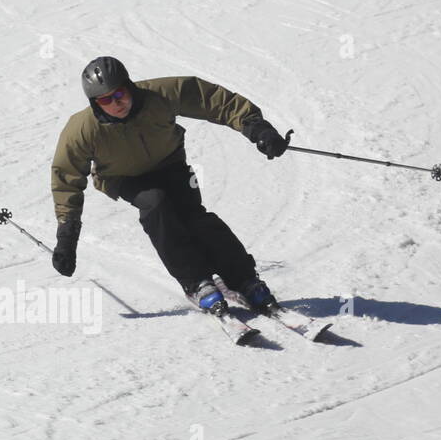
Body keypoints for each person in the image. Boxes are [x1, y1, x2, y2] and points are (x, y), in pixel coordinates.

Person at [49, 56, 290, 316]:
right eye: (105, 100)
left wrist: (256, 128)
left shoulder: (159, 95)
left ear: (129, 86)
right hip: (124, 178)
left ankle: (244, 278)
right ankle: (196, 282)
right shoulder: (81, 130)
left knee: (195, 217)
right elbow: (66, 177)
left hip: (170, 163)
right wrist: (67, 236)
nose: (116, 103)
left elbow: (212, 99)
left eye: (119, 93)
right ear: (94, 103)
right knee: (156, 205)